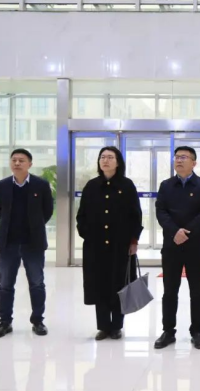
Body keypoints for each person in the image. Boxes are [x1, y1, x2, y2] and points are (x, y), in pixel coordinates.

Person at [76, 146, 143, 341]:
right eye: (102, 157)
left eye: (110, 157)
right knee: (99, 284)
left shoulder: (127, 185)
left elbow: (136, 215)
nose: (105, 160)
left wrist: (133, 240)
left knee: (119, 283)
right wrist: (87, 235)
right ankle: (103, 326)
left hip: (120, 245)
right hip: (95, 245)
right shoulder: (91, 186)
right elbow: (82, 215)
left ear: (118, 162)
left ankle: (117, 326)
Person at [154, 146, 200, 350]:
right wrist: (175, 232)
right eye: (177, 157)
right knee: (170, 291)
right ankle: (168, 331)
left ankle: (196, 331)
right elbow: (161, 211)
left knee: (196, 291)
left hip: (195, 246)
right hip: (171, 245)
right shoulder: (166, 185)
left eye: (184, 157)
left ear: (194, 163)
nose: (179, 160)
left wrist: (186, 232)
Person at [0, 148, 54, 339]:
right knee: (5, 285)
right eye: (14, 160)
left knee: (37, 283)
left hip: (33, 243)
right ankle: (5, 322)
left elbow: (47, 211)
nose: (17, 163)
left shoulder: (41, 185)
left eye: (21, 160)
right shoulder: (1, 185)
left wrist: (34, 226)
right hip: (8, 243)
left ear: (30, 164)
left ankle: (38, 321)